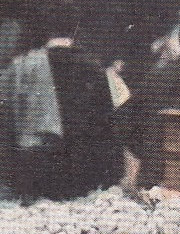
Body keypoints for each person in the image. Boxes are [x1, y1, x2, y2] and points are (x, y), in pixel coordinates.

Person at [8, 17, 124, 202]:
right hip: (80, 174)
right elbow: (107, 125)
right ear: (76, 30)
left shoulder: (25, 65)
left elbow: (10, 116)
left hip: (36, 172)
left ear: (46, 31)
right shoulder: (94, 68)